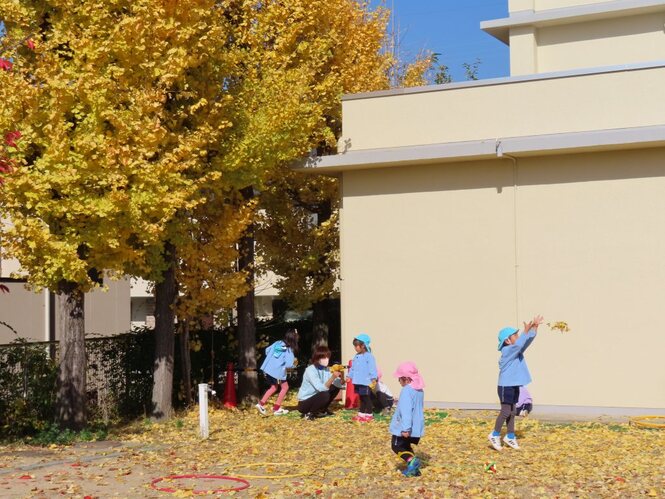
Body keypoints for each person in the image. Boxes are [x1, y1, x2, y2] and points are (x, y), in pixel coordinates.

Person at [488, 315, 543, 451]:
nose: (518, 337)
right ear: (507, 340)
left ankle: (510, 436)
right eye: (515, 335)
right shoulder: (508, 351)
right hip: (505, 387)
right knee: (506, 411)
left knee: (513, 411)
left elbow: (524, 343)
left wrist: (533, 329)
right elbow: (519, 344)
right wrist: (525, 332)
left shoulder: (515, 350)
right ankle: (494, 434)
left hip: (513, 385)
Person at [390, 361, 425, 477]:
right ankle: (413, 468)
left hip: (404, 427)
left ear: (405, 378)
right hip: (415, 427)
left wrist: (406, 428)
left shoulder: (406, 390)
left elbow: (406, 411)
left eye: (399, 378)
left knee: (396, 446)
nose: (398, 381)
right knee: (406, 447)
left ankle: (412, 461)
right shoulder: (419, 390)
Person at [256, 328, 299, 416]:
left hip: (267, 370)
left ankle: (261, 404)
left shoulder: (278, 343)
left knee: (273, 387)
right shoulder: (289, 350)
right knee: (285, 387)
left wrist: (274, 359)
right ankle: (276, 408)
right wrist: (295, 363)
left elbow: (267, 351)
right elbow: (289, 365)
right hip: (277, 373)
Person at [297, 346, 345, 420]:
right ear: (317, 358)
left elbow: (340, 384)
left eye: (328, 357)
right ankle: (310, 413)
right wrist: (332, 377)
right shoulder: (310, 370)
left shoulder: (326, 369)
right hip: (304, 403)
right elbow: (321, 388)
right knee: (325, 394)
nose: (327, 360)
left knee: (335, 387)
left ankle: (322, 410)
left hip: (316, 396)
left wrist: (342, 374)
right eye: (324, 358)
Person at [348, 333, 378, 422]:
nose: (355, 348)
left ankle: (369, 414)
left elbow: (372, 368)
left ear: (363, 345)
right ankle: (361, 414)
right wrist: (349, 376)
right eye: (355, 346)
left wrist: (373, 378)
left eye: (357, 345)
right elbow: (352, 368)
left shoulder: (369, 356)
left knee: (366, 397)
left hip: (366, 381)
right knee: (361, 397)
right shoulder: (356, 356)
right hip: (358, 381)